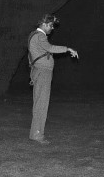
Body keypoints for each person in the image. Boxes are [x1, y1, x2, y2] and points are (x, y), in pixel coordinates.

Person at [27, 14, 79, 144]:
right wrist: (67, 49)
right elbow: (50, 48)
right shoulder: (40, 36)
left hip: (40, 72)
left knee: (39, 103)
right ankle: (37, 135)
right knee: (42, 104)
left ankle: (36, 133)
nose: (52, 28)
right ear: (43, 24)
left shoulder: (33, 35)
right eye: (50, 25)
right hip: (43, 73)